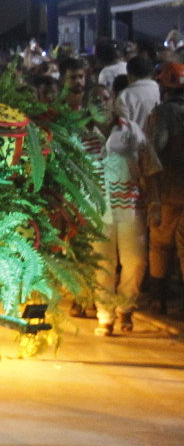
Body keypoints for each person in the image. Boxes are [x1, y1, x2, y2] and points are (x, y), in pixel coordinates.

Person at [96, 56, 162, 333]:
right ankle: (106, 315)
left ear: (113, 100)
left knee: (135, 262)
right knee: (101, 264)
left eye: (105, 99)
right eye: (96, 100)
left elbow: (150, 168)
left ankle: (125, 307)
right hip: (96, 209)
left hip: (131, 205)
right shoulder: (82, 134)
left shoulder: (131, 131)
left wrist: (155, 202)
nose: (102, 104)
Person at [146, 62, 184, 315]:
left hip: (168, 191)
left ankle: (157, 300)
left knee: (160, 245)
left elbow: (152, 153)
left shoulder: (163, 114)